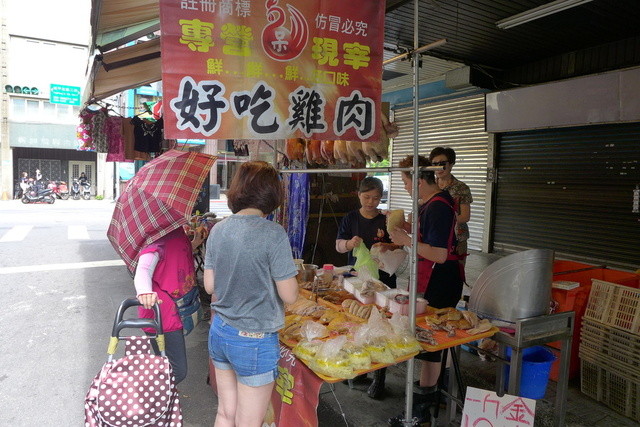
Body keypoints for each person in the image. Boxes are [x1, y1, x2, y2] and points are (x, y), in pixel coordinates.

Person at [204, 161, 298, 427]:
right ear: (272, 193)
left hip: (220, 331)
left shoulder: (218, 229)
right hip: (254, 339)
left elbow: (210, 286)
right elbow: (290, 295)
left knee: (225, 413)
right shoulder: (273, 233)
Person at [387, 155, 463, 426]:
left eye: (406, 182)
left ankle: (421, 411)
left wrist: (407, 239)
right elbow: (431, 236)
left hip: (440, 280)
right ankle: (434, 397)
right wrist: (408, 229)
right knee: (434, 341)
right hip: (436, 278)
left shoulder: (438, 206)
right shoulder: (430, 204)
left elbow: (440, 254)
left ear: (419, 180)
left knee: (431, 343)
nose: (406, 187)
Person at [335, 175, 400, 399]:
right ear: (359, 195)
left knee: (382, 326)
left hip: (385, 280)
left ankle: (380, 377)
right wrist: (349, 244)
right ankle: (361, 369)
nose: (371, 202)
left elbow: (400, 245)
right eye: (366, 197)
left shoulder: (386, 219)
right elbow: (339, 246)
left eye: (375, 198)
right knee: (358, 323)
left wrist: (389, 246)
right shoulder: (351, 218)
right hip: (358, 281)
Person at [133, 226, 204, 384]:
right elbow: (143, 270)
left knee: (165, 366)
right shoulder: (157, 239)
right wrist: (144, 292)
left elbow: (175, 254)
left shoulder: (176, 231)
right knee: (176, 370)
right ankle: (152, 395)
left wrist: (194, 243)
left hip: (174, 311)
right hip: (162, 315)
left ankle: (161, 395)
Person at [429, 147, 472, 264]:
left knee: (455, 271)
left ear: (451, 164)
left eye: (442, 163)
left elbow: (465, 217)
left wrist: (441, 220)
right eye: (434, 164)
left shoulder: (461, 188)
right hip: (432, 237)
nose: (439, 168)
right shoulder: (429, 186)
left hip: (456, 239)